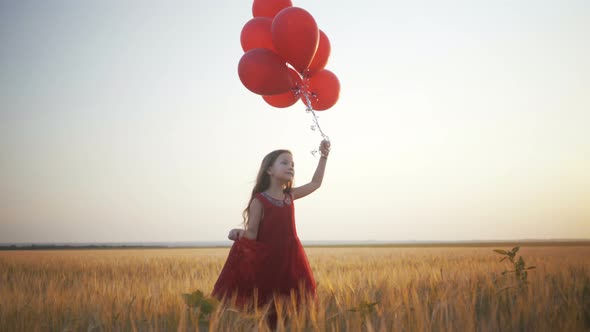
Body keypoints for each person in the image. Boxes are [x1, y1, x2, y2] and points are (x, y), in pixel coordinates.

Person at [211, 139, 331, 328]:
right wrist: (238, 232)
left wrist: (323, 156)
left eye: (293, 164)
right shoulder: (259, 201)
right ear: (269, 170)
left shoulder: (289, 196)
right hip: (268, 260)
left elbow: (315, 183)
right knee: (268, 306)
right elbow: (252, 234)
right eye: (284, 162)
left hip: (292, 258)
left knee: (296, 304)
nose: (291, 166)